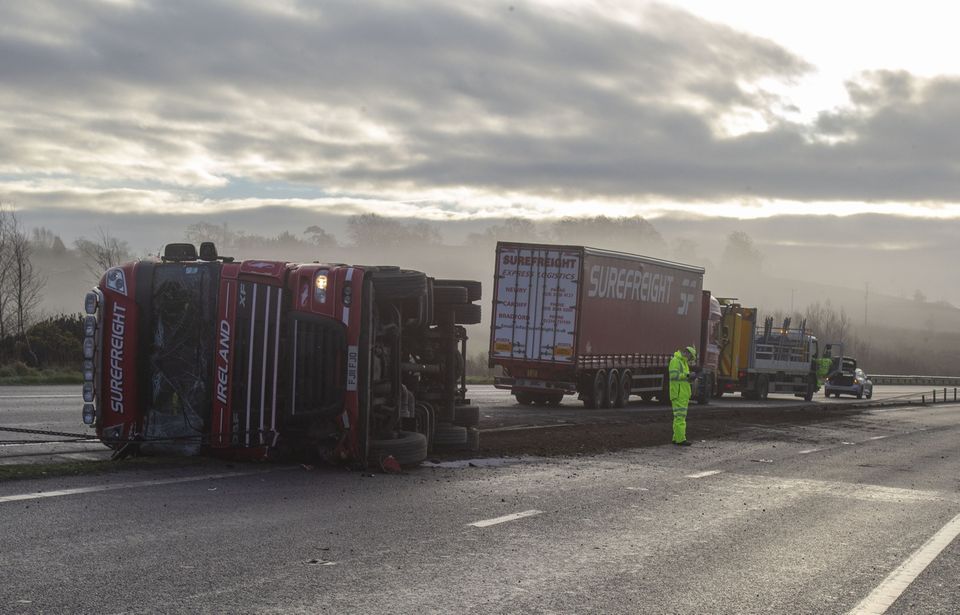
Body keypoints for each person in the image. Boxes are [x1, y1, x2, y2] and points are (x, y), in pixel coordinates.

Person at [669, 345, 698, 446]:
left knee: (679, 417)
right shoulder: (676, 361)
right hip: (679, 394)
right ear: (688, 354)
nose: (690, 360)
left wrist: (689, 377)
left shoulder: (683, 362)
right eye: (691, 357)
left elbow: (683, 378)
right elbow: (673, 375)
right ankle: (681, 439)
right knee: (680, 418)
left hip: (682, 394)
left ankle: (676, 438)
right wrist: (687, 375)